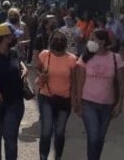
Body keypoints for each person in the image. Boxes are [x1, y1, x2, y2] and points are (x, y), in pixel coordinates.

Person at [74, 29, 124, 160]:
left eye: (93, 39)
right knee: (93, 136)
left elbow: (121, 83)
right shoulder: (85, 58)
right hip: (88, 103)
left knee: (100, 138)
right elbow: (79, 82)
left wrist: (119, 104)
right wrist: (77, 103)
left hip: (107, 105)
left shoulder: (116, 58)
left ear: (102, 42)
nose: (90, 42)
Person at [0, 23, 28, 160]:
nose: (15, 38)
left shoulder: (13, 52)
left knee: (10, 136)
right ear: (4, 37)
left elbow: (19, 63)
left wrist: (24, 69)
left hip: (15, 101)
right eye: (13, 36)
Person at [35, 30, 77, 160]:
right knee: (46, 131)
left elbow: (75, 81)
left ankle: (58, 156)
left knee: (59, 132)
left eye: (61, 39)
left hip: (64, 100)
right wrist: (40, 75)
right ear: (51, 41)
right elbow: (37, 68)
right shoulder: (44, 55)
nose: (58, 41)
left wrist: (75, 100)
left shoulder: (72, 59)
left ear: (65, 42)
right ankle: (43, 157)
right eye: (56, 38)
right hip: (46, 97)